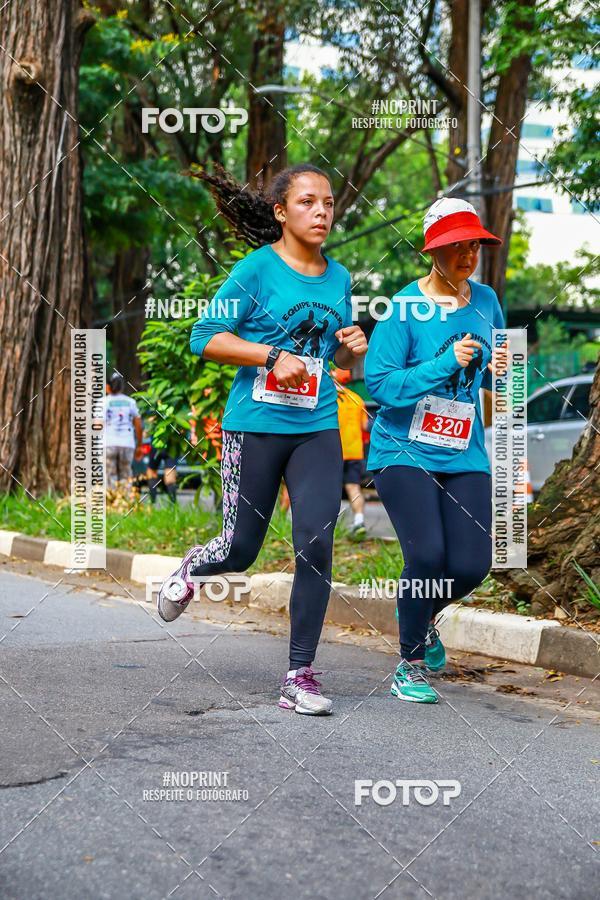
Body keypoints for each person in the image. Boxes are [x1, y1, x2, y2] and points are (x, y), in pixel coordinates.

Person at [157, 163, 368, 716]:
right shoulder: (255, 270)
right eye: (307, 202)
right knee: (241, 549)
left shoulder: (340, 278)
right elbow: (205, 337)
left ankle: (299, 675)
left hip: (316, 426)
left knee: (316, 544)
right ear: (281, 212)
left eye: (328, 203)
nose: (321, 212)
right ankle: (191, 568)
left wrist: (351, 348)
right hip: (254, 425)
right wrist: (271, 355)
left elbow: (329, 357)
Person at [364, 197, 509, 704]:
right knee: (426, 555)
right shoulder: (403, 308)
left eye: (474, 246)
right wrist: (446, 362)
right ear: (432, 251)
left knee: (472, 564)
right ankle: (408, 665)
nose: (467, 255)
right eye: (456, 246)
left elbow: (496, 375)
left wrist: (500, 367)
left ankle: (420, 615)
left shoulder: (486, 300)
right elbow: (381, 385)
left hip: (463, 450)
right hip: (403, 450)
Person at [333, 367, 368, 539]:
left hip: (334, 451)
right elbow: (364, 426)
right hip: (354, 451)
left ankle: (327, 525)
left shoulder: (330, 398)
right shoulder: (357, 399)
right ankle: (359, 521)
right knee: (353, 488)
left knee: (327, 488)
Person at [103, 373, 144, 491]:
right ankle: (125, 499)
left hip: (109, 443)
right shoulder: (131, 402)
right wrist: (139, 445)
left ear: (108, 387)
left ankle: (112, 499)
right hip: (127, 443)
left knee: (109, 476)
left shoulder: (103, 402)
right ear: (122, 387)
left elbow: (97, 425)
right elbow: (138, 425)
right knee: (126, 475)